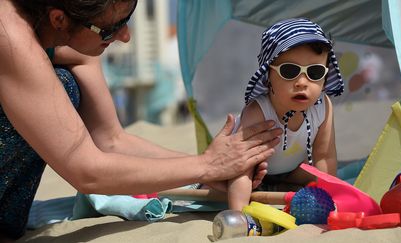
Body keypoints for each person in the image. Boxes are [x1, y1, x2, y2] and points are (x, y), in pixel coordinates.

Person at [0, 0, 282, 240]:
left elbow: (111, 141)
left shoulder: (70, 37)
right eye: (111, 27)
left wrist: (206, 177)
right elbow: (85, 170)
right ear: (59, 18)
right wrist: (207, 165)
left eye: (128, 18)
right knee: (60, 85)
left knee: (64, 84)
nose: (125, 36)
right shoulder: (10, 36)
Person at [227, 18, 345, 210]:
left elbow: (324, 157)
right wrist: (238, 214)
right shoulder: (258, 112)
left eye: (314, 72)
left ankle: (279, 184)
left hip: (289, 170)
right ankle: (265, 187)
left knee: (315, 171)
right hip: (250, 170)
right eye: (289, 71)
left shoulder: (323, 106)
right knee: (231, 177)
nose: (302, 82)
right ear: (267, 78)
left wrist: (331, 201)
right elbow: (242, 167)